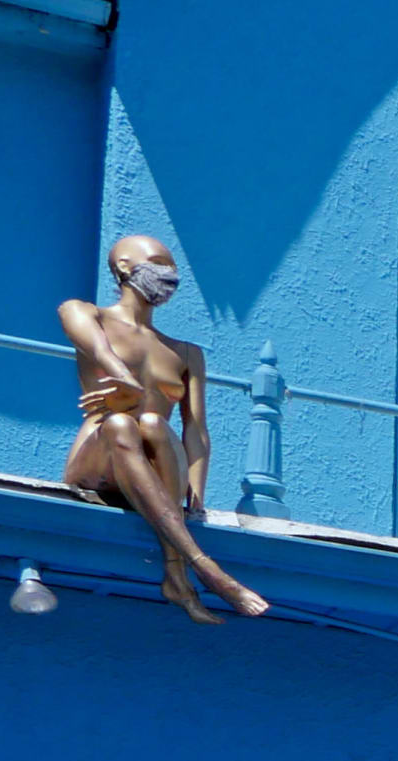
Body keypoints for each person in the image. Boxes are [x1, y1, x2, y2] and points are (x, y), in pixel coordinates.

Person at [57, 233, 266, 622]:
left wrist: (196, 493)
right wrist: (123, 377)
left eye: (172, 267)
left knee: (152, 421)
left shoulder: (185, 353)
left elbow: (196, 430)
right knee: (123, 423)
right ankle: (200, 566)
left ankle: (175, 572)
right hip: (100, 457)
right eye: (157, 261)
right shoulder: (87, 313)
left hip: (158, 464)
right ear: (123, 267)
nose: (168, 274)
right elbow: (95, 347)